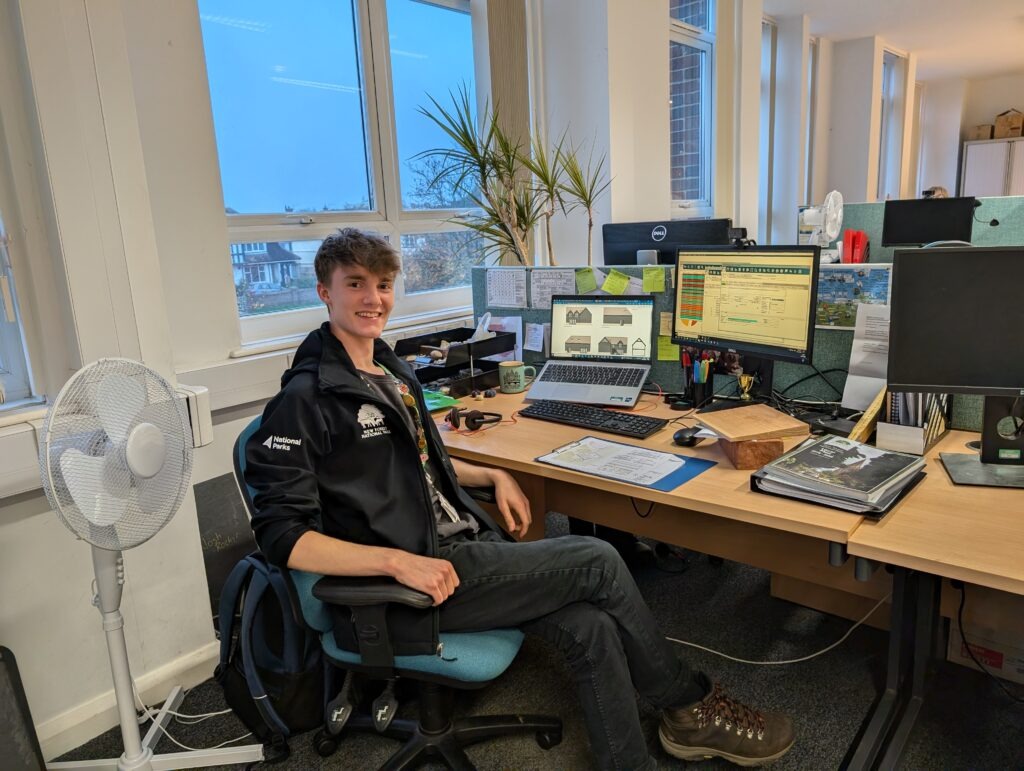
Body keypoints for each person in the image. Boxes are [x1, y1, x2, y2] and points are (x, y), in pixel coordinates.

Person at [245, 228, 795, 769]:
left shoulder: (385, 368)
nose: (374, 299)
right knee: (599, 560)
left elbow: (412, 463)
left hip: (452, 542)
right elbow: (282, 537)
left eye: (384, 284)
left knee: (591, 626)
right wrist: (397, 562)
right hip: (408, 576)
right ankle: (688, 703)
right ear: (325, 291)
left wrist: (488, 475)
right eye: (356, 284)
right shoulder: (306, 399)